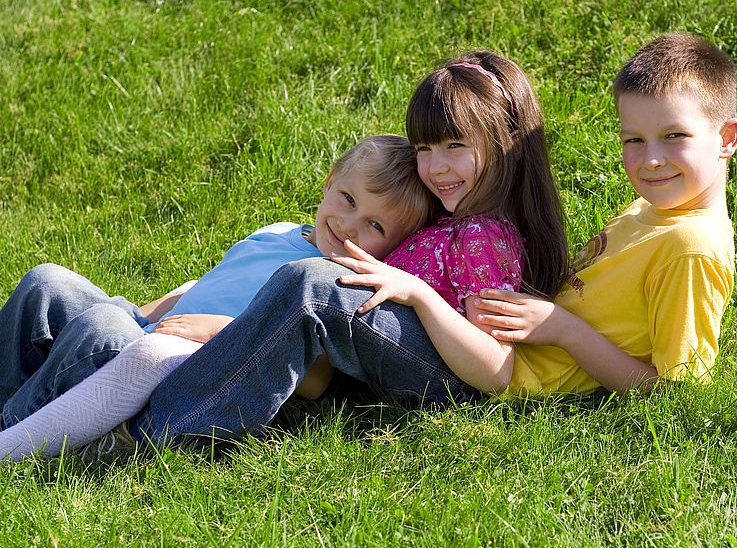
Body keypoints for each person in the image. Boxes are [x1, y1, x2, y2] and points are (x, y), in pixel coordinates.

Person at [125, 48, 570, 449]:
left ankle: (156, 430)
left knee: (313, 286)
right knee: (307, 282)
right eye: (424, 148)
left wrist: (416, 292)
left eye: (455, 146)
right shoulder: (456, 218)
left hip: (442, 376)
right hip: (379, 351)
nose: (435, 167)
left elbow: (496, 371)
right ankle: (147, 376)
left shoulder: (484, 238)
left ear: (506, 146)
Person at [0, 134, 432, 462]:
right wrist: (138, 312)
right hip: (149, 328)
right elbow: (207, 287)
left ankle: (14, 431)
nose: (350, 225)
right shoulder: (280, 231)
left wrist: (220, 330)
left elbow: (314, 380)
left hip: (173, 368)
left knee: (101, 330)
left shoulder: (338, 284)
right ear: (329, 182)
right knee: (49, 282)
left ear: (394, 249)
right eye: (349, 199)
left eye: (375, 227)